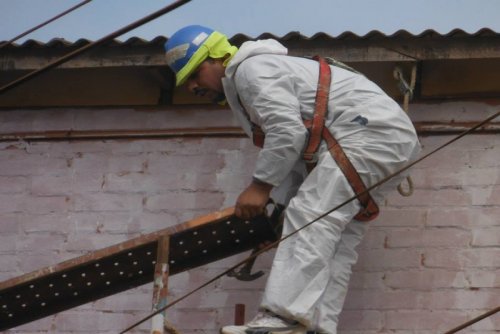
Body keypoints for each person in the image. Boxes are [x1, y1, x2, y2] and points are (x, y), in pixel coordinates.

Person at [164, 25, 421, 334]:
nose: (192, 87)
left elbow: (287, 132)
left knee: (312, 215)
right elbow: (298, 157)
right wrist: (278, 217)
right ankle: (317, 326)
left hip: (368, 133)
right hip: (383, 138)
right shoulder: (255, 78)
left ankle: (282, 318)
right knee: (335, 234)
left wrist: (260, 187)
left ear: (218, 56)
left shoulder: (250, 70)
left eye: (195, 73)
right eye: (186, 81)